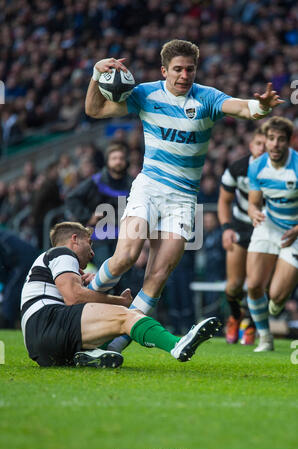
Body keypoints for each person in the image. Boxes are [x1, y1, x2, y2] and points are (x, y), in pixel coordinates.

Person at [85, 39, 283, 353]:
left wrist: (261, 107)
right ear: (164, 70)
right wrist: (96, 75)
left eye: (190, 69)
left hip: (183, 199)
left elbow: (243, 108)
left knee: (158, 274)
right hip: (149, 188)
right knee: (125, 257)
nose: (184, 75)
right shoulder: (145, 94)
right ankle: (77, 306)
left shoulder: (206, 98)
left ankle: (115, 343)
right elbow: (94, 109)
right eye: (177, 69)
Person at [20, 221, 222, 368]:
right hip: (47, 323)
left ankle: (89, 356)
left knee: (116, 321)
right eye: (89, 242)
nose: (92, 251)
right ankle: (176, 345)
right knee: (127, 316)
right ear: (74, 239)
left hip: (44, 348)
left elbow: (71, 297)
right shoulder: (61, 253)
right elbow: (74, 297)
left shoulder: (51, 265)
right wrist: (121, 302)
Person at [246, 116, 298, 352]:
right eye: (271, 139)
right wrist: (254, 212)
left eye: (281, 139)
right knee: (254, 285)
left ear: (288, 142)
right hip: (269, 225)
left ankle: (276, 304)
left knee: (276, 298)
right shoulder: (257, 165)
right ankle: (265, 338)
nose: (275, 144)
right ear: (265, 141)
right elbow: (253, 203)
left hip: (295, 230)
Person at [218, 128, 266, 345]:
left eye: (266, 144)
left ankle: (252, 325)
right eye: (258, 143)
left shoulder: (283, 171)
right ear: (251, 146)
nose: (262, 148)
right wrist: (226, 228)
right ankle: (236, 316)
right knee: (234, 285)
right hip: (240, 227)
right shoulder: (237, 168)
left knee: (258, 285)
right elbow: (223, 201)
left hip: (266, 230)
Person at [65, 143, 133, 269]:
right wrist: (87, 217)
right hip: (100, 238)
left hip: (125, 238)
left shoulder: (133, 184)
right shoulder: (96, 181)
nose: (118, 161)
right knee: (105, 277)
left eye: (121, 158)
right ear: (107, 161)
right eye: (114, 158)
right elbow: (72, 198)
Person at [0, 228, 39, 328]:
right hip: (21, 261)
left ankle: (6, 324)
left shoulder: (3, 238)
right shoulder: (4, 235)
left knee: (11, 293)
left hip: (23, 262)